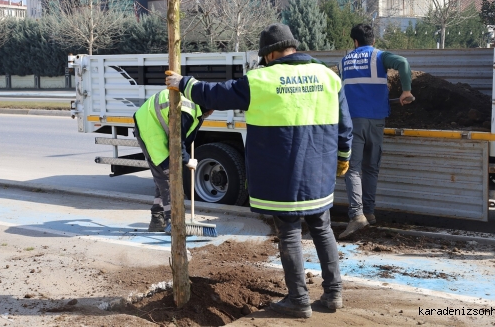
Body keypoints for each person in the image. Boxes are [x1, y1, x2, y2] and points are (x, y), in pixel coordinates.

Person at [165, 23, 353, 318]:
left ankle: (298, 301)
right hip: (319, 171)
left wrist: (182, 82)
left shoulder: (260, 79)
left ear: (268, 54)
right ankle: (334, 294)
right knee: (322, 227)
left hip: (282, 174)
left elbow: (214, 94)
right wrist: (343, 158)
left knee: (289, 233)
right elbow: (345, 126)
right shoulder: (329, 77)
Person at [339, 24, 414, 239]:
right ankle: (369, 212)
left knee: (352, 169)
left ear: (354, 42)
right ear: (373, 40)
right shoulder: (378, 56)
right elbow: (403, 62)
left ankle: (357, 215)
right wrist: (406, 90)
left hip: (354, 121)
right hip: (377, 120)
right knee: (371, 168)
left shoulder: (344, 62)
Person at [133, 89, 212, 232]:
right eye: (212, 109)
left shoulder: (193, 108)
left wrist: (185, 156)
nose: (212, 113)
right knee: (168, 176)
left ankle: (157, 219)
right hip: (150, 129)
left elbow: (183, 138)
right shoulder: (187, 111)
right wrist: (187, 160)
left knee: (161, 178)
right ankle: (173, 222)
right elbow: (177, 142)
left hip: (154, 125)